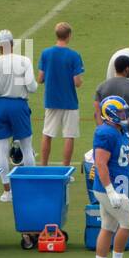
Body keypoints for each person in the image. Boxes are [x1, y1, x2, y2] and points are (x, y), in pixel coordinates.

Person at [0, 29, 38, 203]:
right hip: (19, 105)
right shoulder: (23, 61)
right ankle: (30, 186)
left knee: (2, 149)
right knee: (27, 147)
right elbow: (33, 87)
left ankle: (7, 191)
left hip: (0, 107)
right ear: (12, 44)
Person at [91, 96, 129, 258]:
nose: (124, 115)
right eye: (120, 112)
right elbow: (100, 163)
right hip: (110, 187)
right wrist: (110, 190)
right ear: (110, 114)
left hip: (117, 186)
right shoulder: (105, 133)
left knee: (108, 226)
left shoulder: (120, 130)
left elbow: (124, 153)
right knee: (128, 222)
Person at [38, 22, 85, 167]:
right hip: (69, 102)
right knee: (69, 136)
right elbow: (77, 82)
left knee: (47, 134)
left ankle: (43, 166)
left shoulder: (46, 53)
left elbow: (40, 78)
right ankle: (65, 167)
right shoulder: (74, 55)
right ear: (69, 36)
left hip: (51, 100)